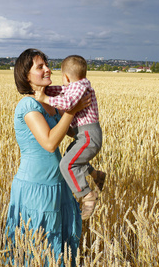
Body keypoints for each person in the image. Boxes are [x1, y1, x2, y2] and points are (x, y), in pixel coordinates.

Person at [4, 49, 91, 266]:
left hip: (58, 186)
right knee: (38, 249)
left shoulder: (51, 102)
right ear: (26, 75)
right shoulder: (28, 105)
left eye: (46, 64)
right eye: (40, 66)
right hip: (36, 188)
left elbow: (70, 131)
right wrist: (72, 110)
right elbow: (50, 143)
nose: (47, 69)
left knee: (59, 251)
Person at [34, 55, 106, 221]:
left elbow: (68, 104)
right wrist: (41, 90)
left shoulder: (79, 88)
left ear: (66, 77)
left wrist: (44, 98)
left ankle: (87, 194)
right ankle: (96, 175)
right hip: (84, 134)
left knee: (66, 165)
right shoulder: (76, 86)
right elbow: (60, 91)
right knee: (71, 157)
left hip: (88, 135)